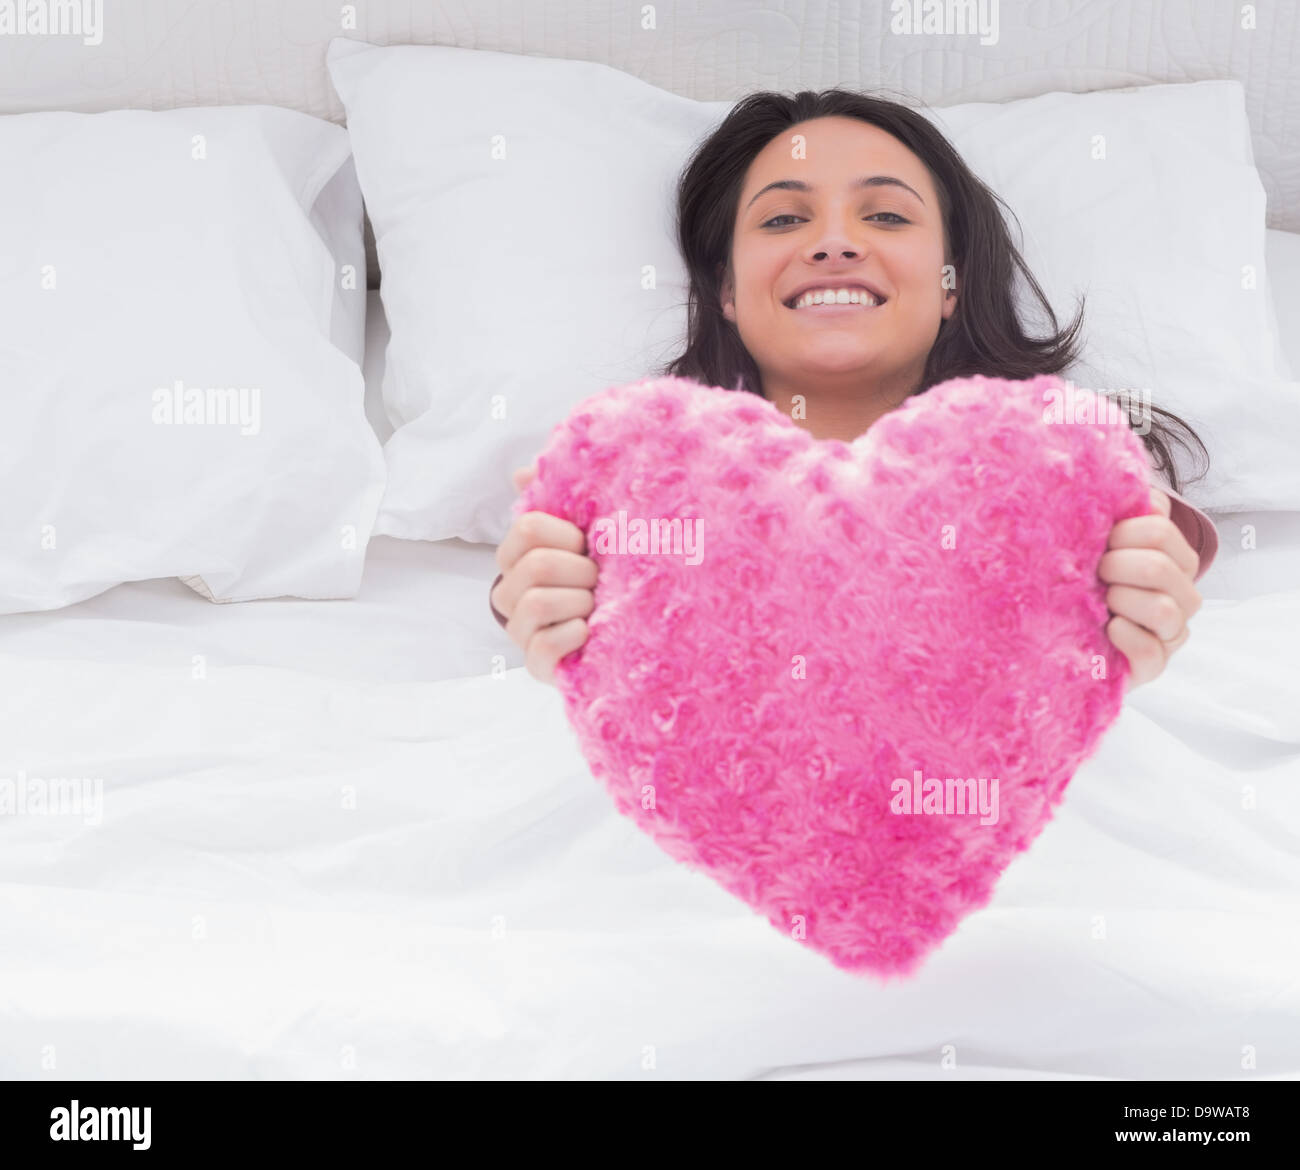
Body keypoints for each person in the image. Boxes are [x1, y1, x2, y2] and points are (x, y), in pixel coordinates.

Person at [489, 90, 1216, 686]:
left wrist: (1135, 558)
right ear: (727, 292)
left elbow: (1146, 529)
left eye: (887, 215)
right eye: (783, 218)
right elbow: (553, 587)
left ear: (950, 283)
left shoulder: (1053, 455)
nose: (834, 243)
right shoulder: (644, 482)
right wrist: (544, 590)